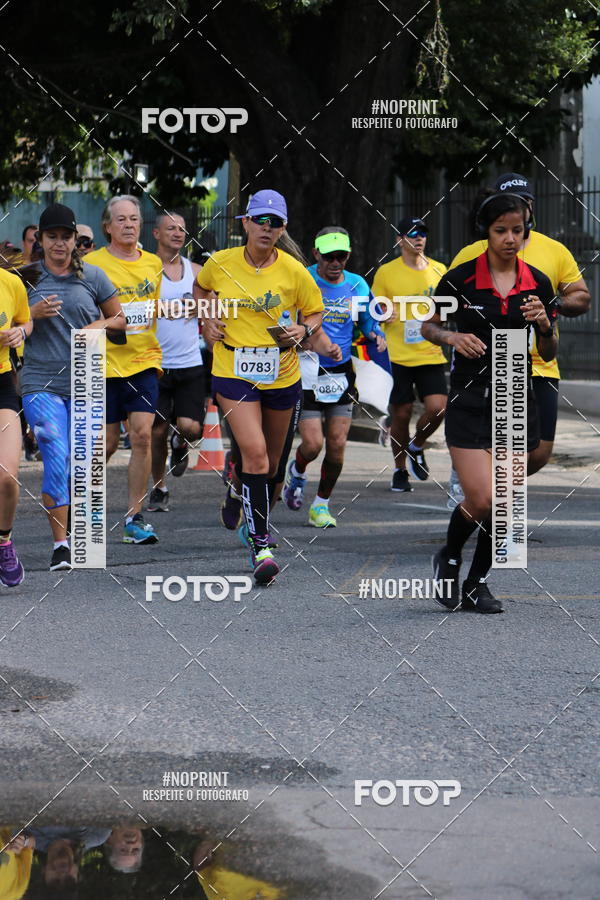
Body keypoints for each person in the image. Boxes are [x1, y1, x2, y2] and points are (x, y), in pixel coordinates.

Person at [422, 190, 557, 614]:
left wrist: (545, 325)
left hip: (516, 393)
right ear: (486, 232)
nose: (510, 239)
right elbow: (428, 326)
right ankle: (449, 555)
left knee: (506, 504)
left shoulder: (538, 282)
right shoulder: (459, 280)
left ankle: (477, 584)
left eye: (517, 230)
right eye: (501, 230)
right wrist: (453, 337)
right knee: (481, 499)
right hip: (468, 397)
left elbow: (550, 352)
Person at [196, 189, 324, 584]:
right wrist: (207, 320)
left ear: (284, 229)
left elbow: (315, 312)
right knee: (256, 455)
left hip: (282, 372)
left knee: (270, 465)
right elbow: (200, 290)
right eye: (260, 221)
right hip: (233, 367)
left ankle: (239, 486)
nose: (267, 229)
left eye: (276, 223)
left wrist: (303, 328)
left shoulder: (294, 270)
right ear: (245, 223)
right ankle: (260, 544)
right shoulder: (220, 263)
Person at [448, 172, 591, 500]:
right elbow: (446, 307)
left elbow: (581, 296)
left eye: (525, 204)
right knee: (496, 446)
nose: (519, 210)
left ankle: (485, 484)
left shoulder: (553, 251)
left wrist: (550, 306)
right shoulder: (470, 254)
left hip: (540, 363)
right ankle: (482, 489)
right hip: (490, 367)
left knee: (539, 451)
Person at [20, 203, 124, 571]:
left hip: (86, 382)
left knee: (80, 461)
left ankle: (86, 538)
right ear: (41, 240)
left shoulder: (93, 277)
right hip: (38, 381)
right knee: (52, 442)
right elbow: (7, 320)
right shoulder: (24, 278)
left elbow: (120, 317)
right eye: (53, 237)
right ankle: (61, 544)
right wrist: (30, 314)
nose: (60, 244)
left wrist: (101, 324)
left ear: (76, 241)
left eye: (67, 237)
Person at [284, 226, 385, 527]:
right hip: (307, 368)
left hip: (340, 373)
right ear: (316, 254)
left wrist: (375, 334)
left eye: (341, 256)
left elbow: (367, 321)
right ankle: (298, 472)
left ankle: (321, 505)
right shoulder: (303, 278)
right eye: (328, 256)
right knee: (313, 444)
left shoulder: (357, 285)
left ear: (348, 256)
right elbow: (288, 317)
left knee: (338, 444)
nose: (334, 262)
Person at [86, 196, 164, 544]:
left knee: (143, 435)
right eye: (121, 220)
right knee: (106, 443)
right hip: (102, 364)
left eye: (134, 219)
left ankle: (135, 516)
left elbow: (155, 312)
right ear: (108, 226)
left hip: (143, 361)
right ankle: (88, 510)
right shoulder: (91, 264)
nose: (130, 225)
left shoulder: (153, 264)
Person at [371, 217, 448, 492]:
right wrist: (383, 313)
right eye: (413, 234)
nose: (419, 238)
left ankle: (416, 445)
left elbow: (447, 306)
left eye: (423, 233)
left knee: (438, 408)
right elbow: (374, 308)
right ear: (399, 240)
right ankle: (399, 469)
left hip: (429, 353)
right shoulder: (386, 272)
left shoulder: (440, 270)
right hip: (398, 355)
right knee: (401, 414)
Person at [147, 212, 204, 512]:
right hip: (156, 364)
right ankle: (159, 487)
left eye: (182, 229)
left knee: (191, 427)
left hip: (190, 362)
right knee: (156, 431)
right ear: (156, 233)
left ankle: (181, 443)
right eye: (171, 228)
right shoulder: (146, 270)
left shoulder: (197, 271)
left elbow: (214, 305)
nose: (178, 233)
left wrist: (206, 310)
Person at [0, 262, 32, 586]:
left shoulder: (10, 283)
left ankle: (4, 541)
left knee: (7, 475)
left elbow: (26, 320)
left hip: (2, 386)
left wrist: (21, 332)